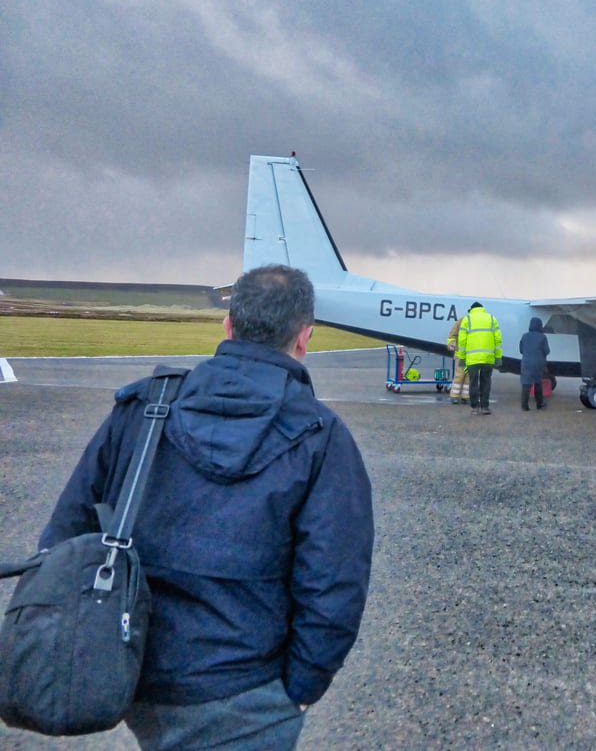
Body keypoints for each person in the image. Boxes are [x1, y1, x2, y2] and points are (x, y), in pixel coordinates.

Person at [37, 265, 374, 751]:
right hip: (246, 691)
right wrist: (299, 690)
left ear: (228, 326)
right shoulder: (322, 438)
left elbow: (64, 538)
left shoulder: (141, 409)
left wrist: (85, 650)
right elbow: (335, 583)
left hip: (132, 674)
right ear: (304, 338)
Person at [456, 301, 501, 415]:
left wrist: (462, 358)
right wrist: (498, 357)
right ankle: (485, 407)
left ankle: (474, 407)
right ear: (482, 308)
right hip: (488, 358)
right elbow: (498, 340)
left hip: (472, 359)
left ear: (471, 309)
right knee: (486, 382)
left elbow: (462, 341)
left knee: (473, 382)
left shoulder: (467, 319)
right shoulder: (491, 319)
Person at [519, 316, 550, 411]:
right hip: (538, 363)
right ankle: (539, 404)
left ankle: (524, 406)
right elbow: (547, 351)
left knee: (526, 385)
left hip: (526, 363)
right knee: (538, 383)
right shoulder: (543, 337)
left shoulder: (524, 336)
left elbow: (521, 350)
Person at [446, 316, 470, 404]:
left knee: (468, 377)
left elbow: (453, 334)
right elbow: (453, 334)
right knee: (460, 375)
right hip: (462, 354)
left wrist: (451, 343)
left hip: (470, 355)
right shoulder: (463, 320)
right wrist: (451, 343)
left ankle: (465, 396)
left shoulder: (464, 320)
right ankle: (454, 396)